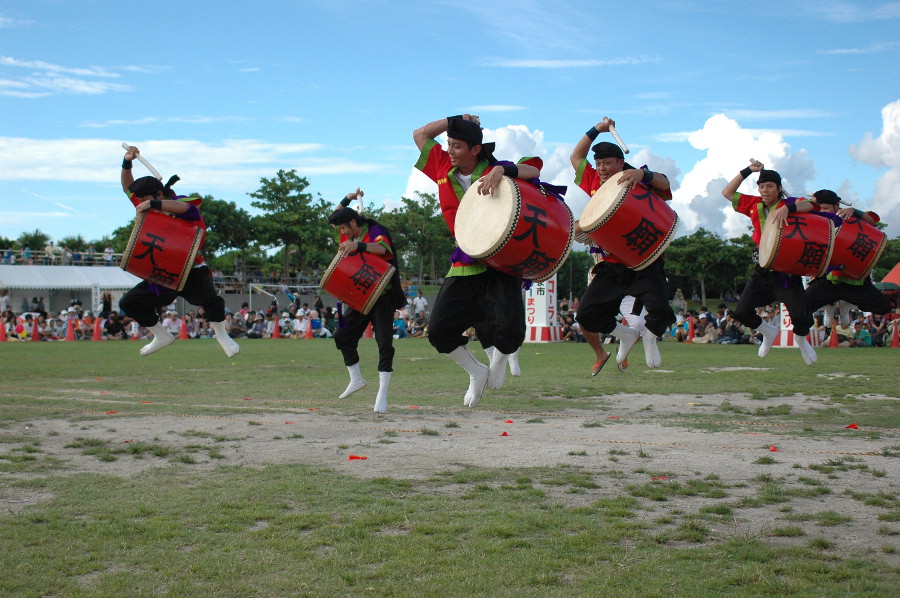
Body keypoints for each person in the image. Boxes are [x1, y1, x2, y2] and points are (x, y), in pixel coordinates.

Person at [413, 114, 542, 407]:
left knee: (510, 329)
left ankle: (498, 363)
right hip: (464, 260)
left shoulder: (495, 169)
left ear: (474, 149)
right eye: (449, 144)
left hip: (500, 260)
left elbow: (533, 171)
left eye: (456, 146)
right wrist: (454, 119)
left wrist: (502, 170)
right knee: (439, 332)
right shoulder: (442, 167)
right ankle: (476, 371)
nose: (449, 150)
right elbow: (420, 135)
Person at [571, 118, 676, 374]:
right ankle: (626, 335)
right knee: (586, 316)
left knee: (661, 310)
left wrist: (644, 174)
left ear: (620, 163)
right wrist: (597, 129)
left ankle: (650, 335)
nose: (602, 168)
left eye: (607, 163)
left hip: (644, 262)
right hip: (611, 266)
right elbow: (576, 156)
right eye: (598, 163)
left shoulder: (634, 177)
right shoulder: (594, 181)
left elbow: (665, 183)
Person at [117, 145, 240, 358]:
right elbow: (128, 187)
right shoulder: (148, 205)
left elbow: (188, 210)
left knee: (211, 300)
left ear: (157, 194)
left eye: (147, 200)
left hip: (191, 268)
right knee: (129, 302)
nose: (142, 204)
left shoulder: (180, 203)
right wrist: (127, 162)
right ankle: (161, 335)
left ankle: (221, 335)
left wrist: (153, 204)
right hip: (163, 272)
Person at [720, 160, 817, 365]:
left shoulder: (790, 202)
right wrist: (748, 171)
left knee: (800, 317)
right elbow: (727, 193)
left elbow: (812, 205)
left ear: (779, 188)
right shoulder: (754, 205)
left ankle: (800, 338)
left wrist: (789, 208)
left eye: (769, 186)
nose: (764, 190)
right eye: (761, 186)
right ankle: (768, 331)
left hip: (787, 272)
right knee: (741, 311)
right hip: (762, 269)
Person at [329, 195, 406, 414]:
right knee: (342, 336)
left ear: (354, 223)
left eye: (344, 227)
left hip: (382, 295)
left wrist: (359, 245)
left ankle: (382, 393)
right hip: (360, 293)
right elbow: (334, 215)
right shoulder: (347, 231)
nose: (342, 232)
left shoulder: (373, 229)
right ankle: (356, 379)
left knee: (384, 343)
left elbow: (383, 249)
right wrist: (348, 198)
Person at [804, 190, 892, 326]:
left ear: (837, 206)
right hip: (829, 280)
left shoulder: (848, 217)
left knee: (884, 307)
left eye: (826, 208)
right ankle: (829, 305)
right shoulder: (814, 222)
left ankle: (847, 305)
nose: (822, 212)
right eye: (819, 208)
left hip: (855, 281)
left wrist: (854, 211)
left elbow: (872, 220)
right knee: (800, 307)